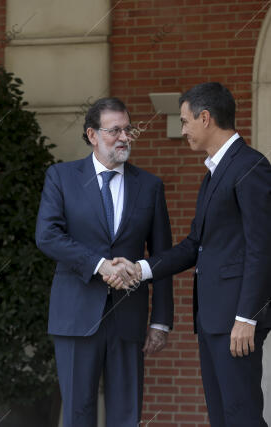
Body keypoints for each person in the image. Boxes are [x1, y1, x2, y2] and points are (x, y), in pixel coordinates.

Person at [106, 83, 271, 427]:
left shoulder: (250, 166)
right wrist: (141, 267)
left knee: (241, 417)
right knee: (222, 417)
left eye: (185, 121)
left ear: (206, 118)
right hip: (213, 318)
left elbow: (263, 247)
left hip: (236, 321)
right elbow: (193, 245)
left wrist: (247, 317)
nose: (182, 130)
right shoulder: (212, 174)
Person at [35, 97, 173, 427]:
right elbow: (47, 236)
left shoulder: (150, 186)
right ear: (92, 134)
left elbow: (162, 256)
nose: (124, 137)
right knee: (78, 413)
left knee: (127, 415)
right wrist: (100, 265)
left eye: (128, 129)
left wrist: (161, 320)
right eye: (115, 130)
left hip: (129, 315)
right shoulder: (62, 177)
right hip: (75, 314)